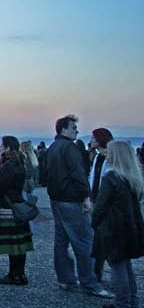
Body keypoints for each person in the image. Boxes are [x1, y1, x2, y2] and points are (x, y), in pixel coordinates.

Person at [43, 114, 111, 298]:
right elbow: (77, 174)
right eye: (74, 128)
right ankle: (90, 283)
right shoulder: (69, 148)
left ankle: (66, 279)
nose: (77, 131)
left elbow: (46, 174)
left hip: (56, 200)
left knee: (61, 241)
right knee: (85, 241)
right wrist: (86, 197)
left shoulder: (53, 148)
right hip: (71, 200)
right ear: (64, 129)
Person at [92, 140, 144, 308]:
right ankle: (132, 300)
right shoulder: (132, 177)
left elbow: (101, 206)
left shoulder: (111, 177)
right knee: (125, 264)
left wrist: (94, 222)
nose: (107, 154)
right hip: (130, 226)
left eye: (109, 152)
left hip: (113, 228)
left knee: (117, 266)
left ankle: (122, 302)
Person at [0, 136, 34, 285]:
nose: (0, 148)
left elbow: (1, 187)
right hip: (18, 205)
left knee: (12, 244)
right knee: (20, 244)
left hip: (8, 207)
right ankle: (20, 274)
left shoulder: (8, 165)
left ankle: (13, 274)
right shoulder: (20, 163)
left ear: (8, 148)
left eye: (2, 146)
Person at [88, 127, 113, 282]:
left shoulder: (110, 158)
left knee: (105, 239)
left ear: (100, 140)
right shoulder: (97, 157)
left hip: (106, 203)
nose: (90, 141)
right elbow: (93, 179)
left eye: (93, 138)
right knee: (97, 240)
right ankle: (96, 274)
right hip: (96, 200)